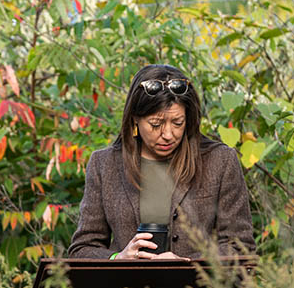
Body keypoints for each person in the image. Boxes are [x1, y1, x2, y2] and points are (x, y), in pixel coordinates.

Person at [68, 64, 254, 261]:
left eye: (177, 123)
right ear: (134, 120)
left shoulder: (220, 161)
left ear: (188, 120)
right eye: (155, 124)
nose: (168, 135)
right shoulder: (104, 164)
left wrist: (187, 266)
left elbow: (240, 246)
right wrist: (118, 258)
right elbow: (82, 249)